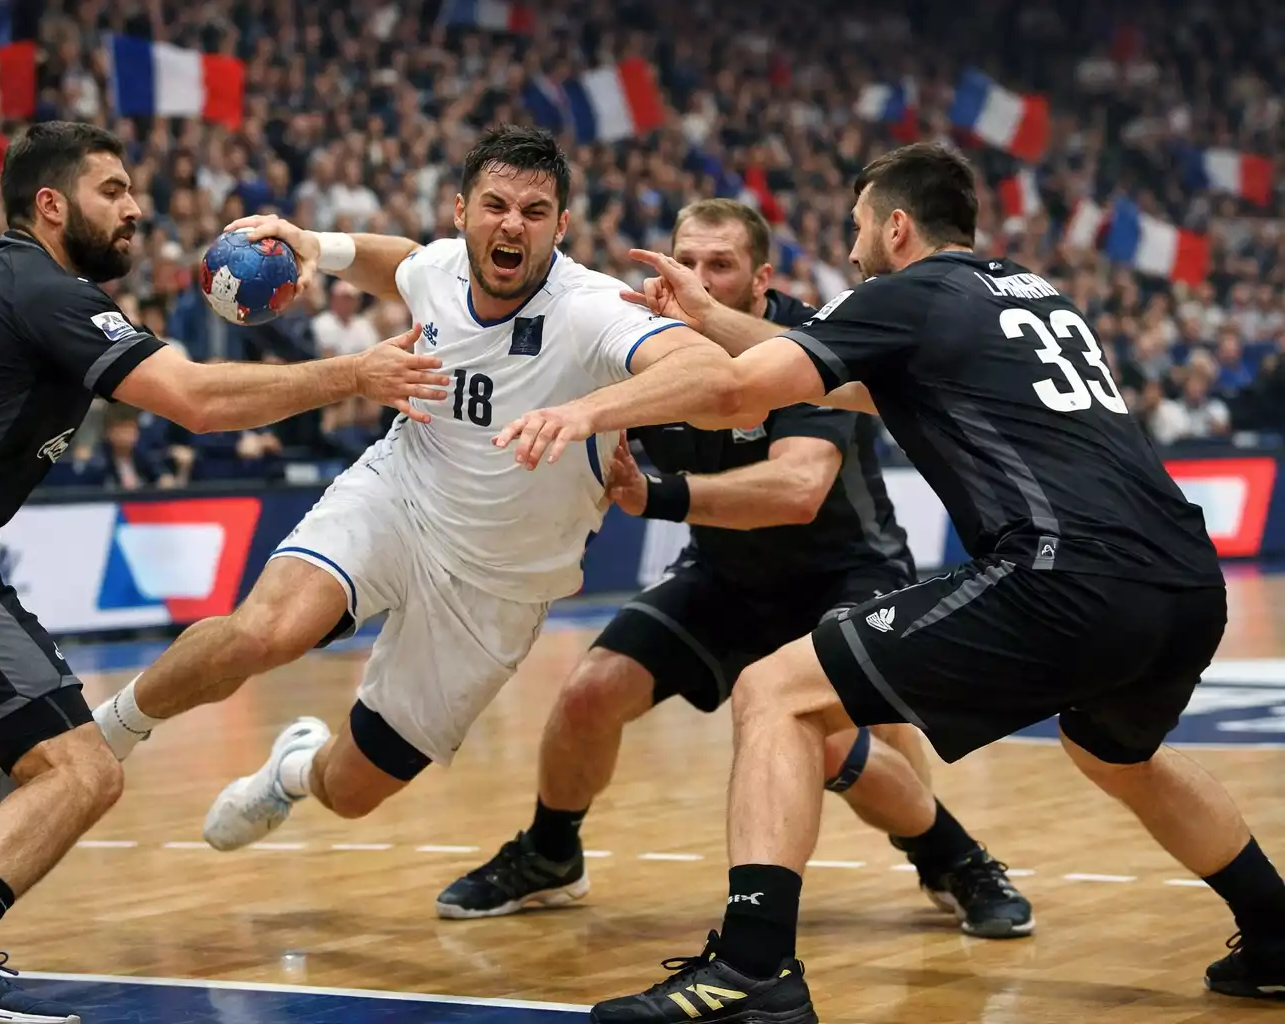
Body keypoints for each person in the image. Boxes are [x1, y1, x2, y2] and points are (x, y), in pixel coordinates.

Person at [499, 142, 1282, 1022]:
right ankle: (1276, 929)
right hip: (1183, 579)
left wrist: (581, 411)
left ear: (896, 225)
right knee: (1117, 753)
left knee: (777, 696)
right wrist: (715, 318)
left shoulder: (901, 294)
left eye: (859, 225)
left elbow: (734, 399)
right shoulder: (1026, 292)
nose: (853, 242)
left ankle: (754, 969)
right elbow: (861, 388)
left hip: (1069, 573)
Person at [0, 119, 444, 1023]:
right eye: (112, 191)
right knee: (81, 769)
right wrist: (355, 373)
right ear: (50, 204)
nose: (135, 209)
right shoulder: (47, 288)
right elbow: (192, 399)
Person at [46, 124, 741, 859]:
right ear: (460, 211)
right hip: (400, 495)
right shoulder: (443, 268)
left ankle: (291, 769)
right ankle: (100, 737)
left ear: (561, 226)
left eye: (535, 212)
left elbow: (710, 373)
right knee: (262, 632)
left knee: (351, 791)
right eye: (495, 205)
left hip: (500, 586)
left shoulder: (592, 309)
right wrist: (318, 244)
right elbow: (404, 265)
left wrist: (585, 411)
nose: (512, 225)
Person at [435, 198, 1032, 939]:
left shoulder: (814, 339)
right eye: (687, 261)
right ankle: (551, 853)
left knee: (829, 741)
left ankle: (955, 859)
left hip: (847, 574)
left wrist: (652, 494)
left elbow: (797, 491)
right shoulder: (647, 341)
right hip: (725, 577)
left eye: (720, 265)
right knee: (589, 693)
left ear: (761, 280)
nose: (699, 278)